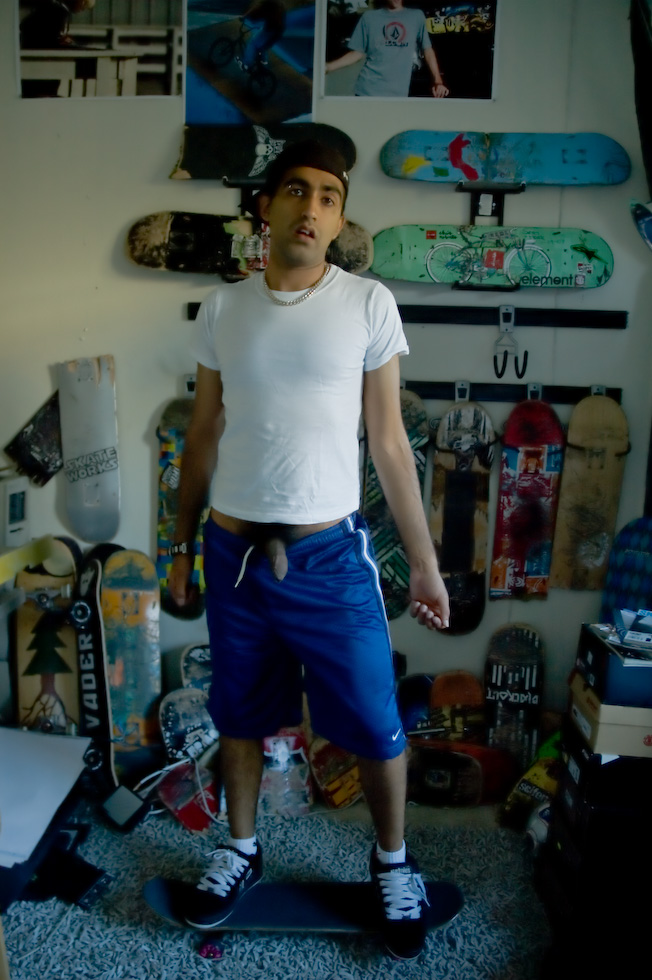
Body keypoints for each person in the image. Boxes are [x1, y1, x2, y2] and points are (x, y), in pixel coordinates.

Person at [168, 139, 450, 961]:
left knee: (374, 718)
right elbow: (201, 435)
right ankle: (242, 848)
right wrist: (179, 545)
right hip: (233, 554)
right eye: (297, 191)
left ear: (338, 218)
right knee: (240, 714)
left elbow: (390, 445)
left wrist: (425, 565)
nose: (313, 207)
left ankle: (392, 862)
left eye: (330, 196)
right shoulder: (223, 309)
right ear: (267, 208)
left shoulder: (368, 303)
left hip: (329, 558)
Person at [325, 0, 449, 99]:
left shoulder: (416, 16)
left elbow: (427, 50)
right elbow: (357, 52)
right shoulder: (369, 17)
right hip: (367, 91)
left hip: (398, 94)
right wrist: (328, 67)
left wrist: (438, 81)